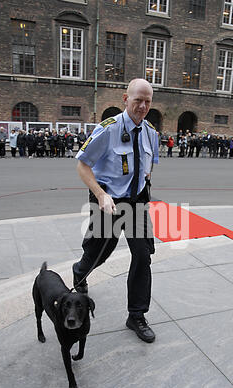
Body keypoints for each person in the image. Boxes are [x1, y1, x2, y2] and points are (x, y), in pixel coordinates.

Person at [73, 78, 159, 343]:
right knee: (99, 254)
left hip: (136, 203)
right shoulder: (107, 130)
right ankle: (79, 272)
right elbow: (82, 166)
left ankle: (136, 315)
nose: (143, 106)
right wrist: (100, 195)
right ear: (125, 99)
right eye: (138, 100)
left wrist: (142, 192)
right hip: (107, 203)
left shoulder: (151, 133)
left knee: (143, 256)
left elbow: (148, 166)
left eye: (147, 101)